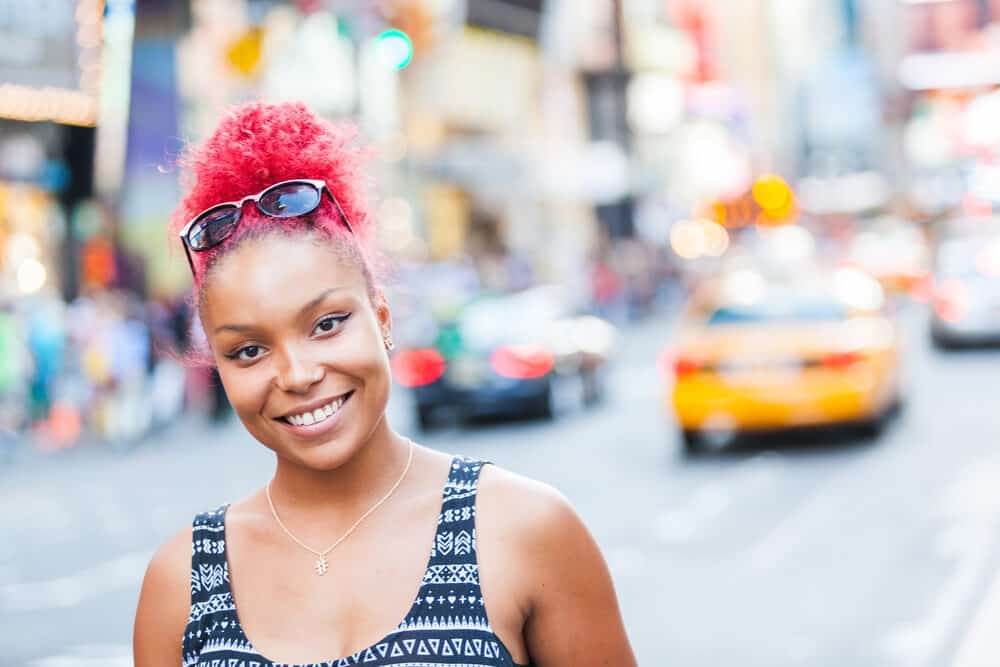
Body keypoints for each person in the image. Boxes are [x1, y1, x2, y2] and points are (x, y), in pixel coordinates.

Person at [133, 102, 636, 667]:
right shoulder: (180, 587)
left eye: (326, 324)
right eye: (248, 350)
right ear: (218, 369)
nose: (297, 375)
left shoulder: (525, 530)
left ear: (384, 318)